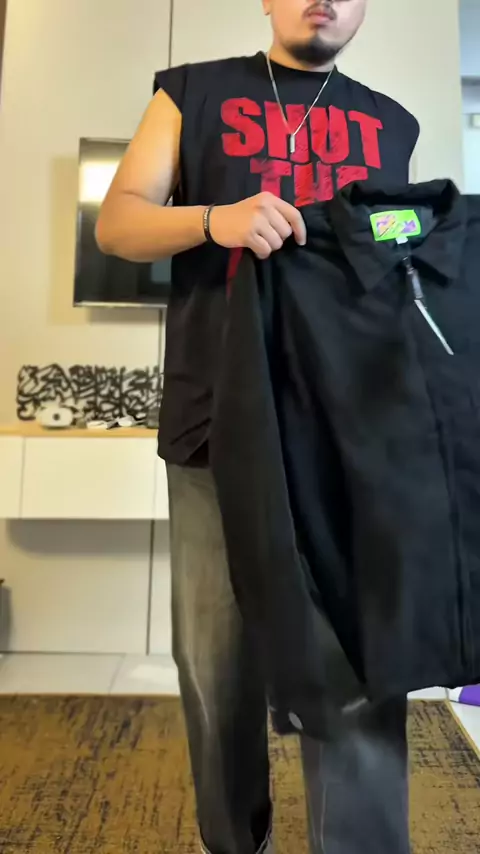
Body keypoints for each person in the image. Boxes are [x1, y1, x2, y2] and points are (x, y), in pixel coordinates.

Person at [96, 2, 420, 852]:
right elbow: (118, 222)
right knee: (217, 666)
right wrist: (216, 218)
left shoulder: (394, 124)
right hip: (216, 420)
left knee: (358, 661)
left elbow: (402, 261)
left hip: (350, 432)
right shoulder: (192, 94)